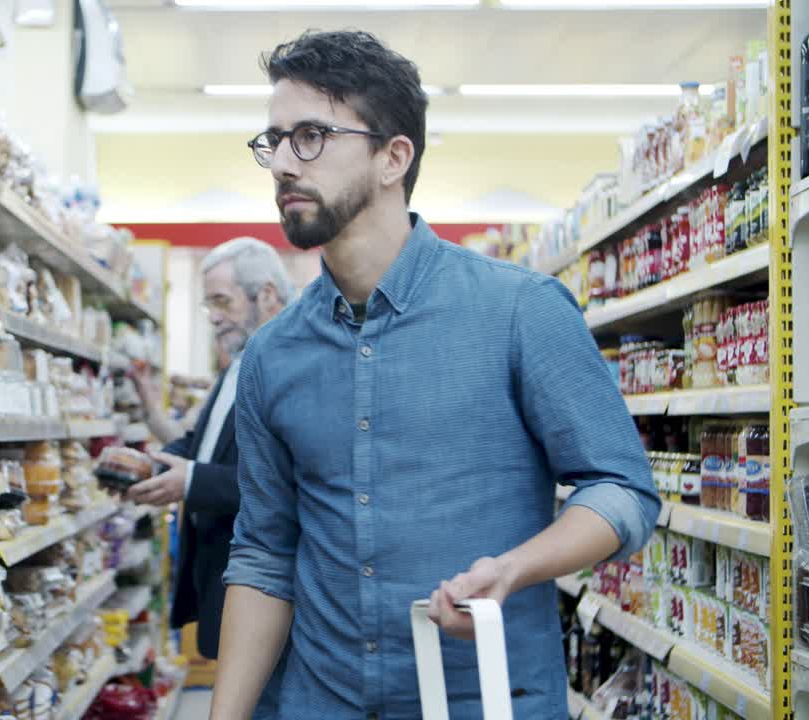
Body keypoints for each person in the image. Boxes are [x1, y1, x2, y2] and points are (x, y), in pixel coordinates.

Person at [209, 31, 660, 720]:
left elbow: (622, 489)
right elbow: (266, 554)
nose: (282, 164)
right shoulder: (272, 355)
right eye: (273, 141)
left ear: (394, 157)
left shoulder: (519, 311)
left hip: (485, 698)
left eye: (311, 136)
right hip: (316, 701)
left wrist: (516, 568)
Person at [128, 237, 293, 663]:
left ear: (268, 295)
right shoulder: (239, 364)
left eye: (223, 301)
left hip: (262, 585)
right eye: (209, 306)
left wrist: (192, 480)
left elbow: (285, 480)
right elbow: (201, 442)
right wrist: (149, 465)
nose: (215, 318)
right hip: (220, 575)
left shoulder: (293, 368)